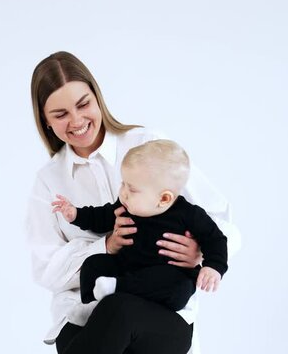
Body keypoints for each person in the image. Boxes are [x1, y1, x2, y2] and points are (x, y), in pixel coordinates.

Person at [26, 51, 241, 354]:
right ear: (45, 121)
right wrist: (104, 246)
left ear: (98, 99)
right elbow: (47, 271)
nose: (76, 121)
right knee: (95, 322)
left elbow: (223, 224)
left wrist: (201, 253)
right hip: (80, 318)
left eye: (83, 104)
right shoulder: (48, 182)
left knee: (119, 309)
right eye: (60, 115)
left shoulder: (148, 146)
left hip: (160, 316)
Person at [51, 139, 228, 311]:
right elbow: (101, 217)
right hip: (126, 266)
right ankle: (90, 307)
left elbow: (215, 239)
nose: (123, 193)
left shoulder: (190, 214)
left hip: (165, 274)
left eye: (132, 189)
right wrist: (76, 214)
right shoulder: (125, 207)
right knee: (93, 264)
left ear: (163, 198)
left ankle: (117, 288)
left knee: (179, 289)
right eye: (123, 184)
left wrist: (213, 267)